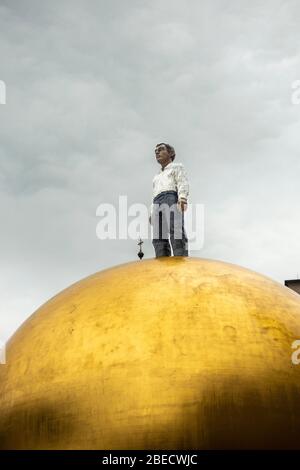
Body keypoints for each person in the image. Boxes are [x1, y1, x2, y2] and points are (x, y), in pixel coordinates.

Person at [149, 142, 189, 257]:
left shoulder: (177, 167)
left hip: (171, 197)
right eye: (156, 151)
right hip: (157, 201)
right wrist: (152, 212)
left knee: (175, 228)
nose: (157, 152)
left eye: (161, 149)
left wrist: (182, 197)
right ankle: (162, 260)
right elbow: (154, 194)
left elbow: (182, 182)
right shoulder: (156, 177)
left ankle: (180, 257)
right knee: (158, 235)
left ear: (170, 153)